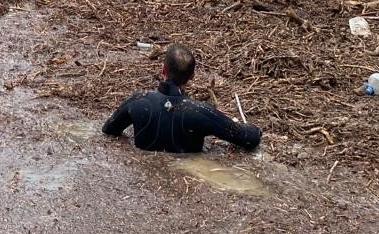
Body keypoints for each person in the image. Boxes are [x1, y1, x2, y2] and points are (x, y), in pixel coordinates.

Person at [101, 44, 261, 153]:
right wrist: (255, 129)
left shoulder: (137, 101)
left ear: (163, 70)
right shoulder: (201, 112)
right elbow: (247, 139)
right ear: (192, 75)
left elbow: (108, 129)